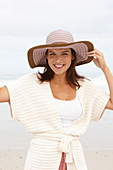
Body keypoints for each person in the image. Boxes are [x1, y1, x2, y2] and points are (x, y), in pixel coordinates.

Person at [0, 29, 113, 170]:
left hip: (74, 157)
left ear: (73, 56)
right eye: (52, 54)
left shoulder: (84, 86)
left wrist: (105, 68)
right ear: (46, 57)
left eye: (64, 53)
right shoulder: (32, 83)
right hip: (41, 157)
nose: (58, 60)